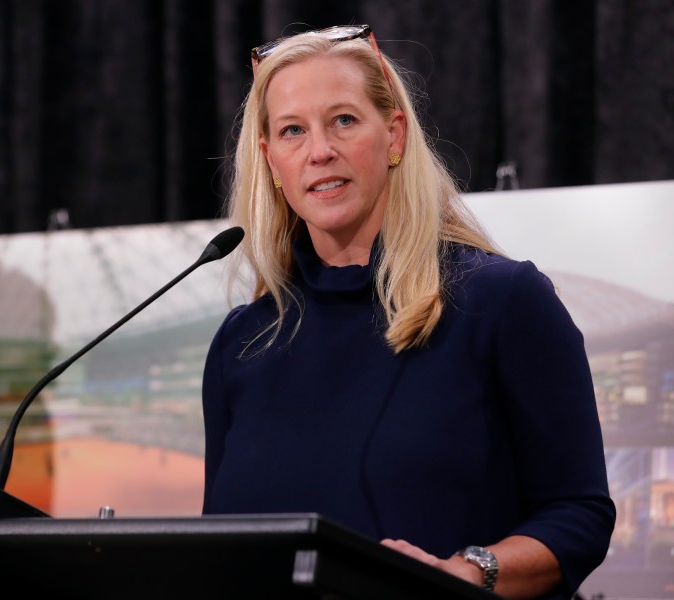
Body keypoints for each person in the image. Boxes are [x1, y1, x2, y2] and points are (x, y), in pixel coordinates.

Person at [201, 24, 615, 600]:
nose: (319, 150)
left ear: (394, 135)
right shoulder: (243, 342)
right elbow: (219, 549)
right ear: (271, 159)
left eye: (344, 120)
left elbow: (578, 515)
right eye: (293, 131)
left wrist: (468, 573)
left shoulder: (501, 301)